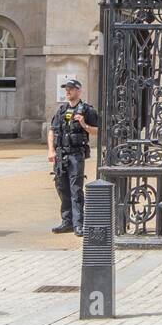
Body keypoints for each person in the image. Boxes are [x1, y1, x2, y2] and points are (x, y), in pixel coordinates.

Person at [48, 79, 98, 237]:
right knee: (62, 187)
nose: (67, 91)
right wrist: (51, 150)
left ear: (79, 91)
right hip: (61, 153)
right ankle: (67, 221)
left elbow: (98, 131)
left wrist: (84, 125)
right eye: (66, 89)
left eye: (70, 89)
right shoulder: (61, 110)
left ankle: (79, 224)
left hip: (76, 154)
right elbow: (52, 131)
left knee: (76, 189)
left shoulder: (87, 110)